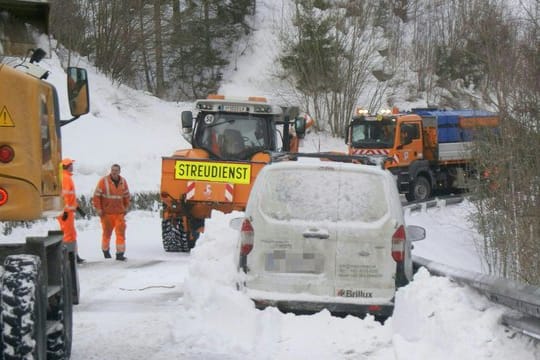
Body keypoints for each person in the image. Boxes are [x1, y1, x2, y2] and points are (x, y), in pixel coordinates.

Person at [92, 164, 131, 261]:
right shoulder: (103, 181)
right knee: (107, 233)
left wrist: (126, 207)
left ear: (119, 171)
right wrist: (99, 208)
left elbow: (127, 196)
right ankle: (105, 250)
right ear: (111, 171)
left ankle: (120, 253)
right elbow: (96, 196)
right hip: (107, 213)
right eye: (113, 170)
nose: (114, 172)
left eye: (116, 170)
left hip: (119, 213)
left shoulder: (123, 182)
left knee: (120, 234)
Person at [57, 158, 86, 264]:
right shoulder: (65, 178)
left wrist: (78, 208)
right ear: (67, 166)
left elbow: (70, 197)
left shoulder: (66, 177)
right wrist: (64, 211)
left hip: (67, 212)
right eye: (71, 165)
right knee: (68, 235)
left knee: (72, 234)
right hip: (65, 213)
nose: (72, 167)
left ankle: (74, 255)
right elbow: (64, 196)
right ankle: (70, 257)